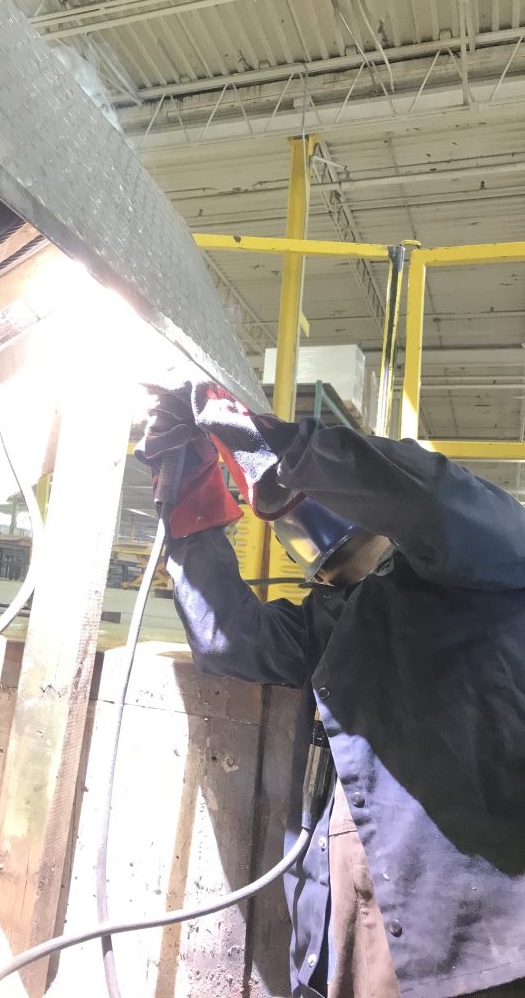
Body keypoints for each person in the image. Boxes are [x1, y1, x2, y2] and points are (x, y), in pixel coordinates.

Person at [136, 380, 525, 998]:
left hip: (480, 949)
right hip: (345, 942)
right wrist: (186, 485)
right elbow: (225, 638)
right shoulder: (336, 617)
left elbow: (428, 498)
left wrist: (272, 448)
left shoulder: (494, 556)